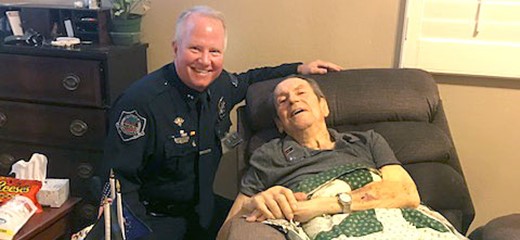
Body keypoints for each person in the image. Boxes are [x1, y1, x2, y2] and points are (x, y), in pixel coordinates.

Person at [102, 5, 343, 240]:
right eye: (195, 49)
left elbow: (251, 78)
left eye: (214, 52)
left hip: (203, 211)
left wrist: (299, 68)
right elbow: (118, 181)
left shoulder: (221, 85)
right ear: (176, 48)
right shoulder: (140, 103)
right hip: (155, 218)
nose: (205, 61)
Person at [219, 76, 467, 240]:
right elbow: (226, 232)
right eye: (282, 101)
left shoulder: (367, 141)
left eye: (301, 93)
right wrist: (254, 205)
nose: (292, 100)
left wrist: (315, 206)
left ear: (324, 107)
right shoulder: (268, 156)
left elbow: (406, 194)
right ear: (279, 124)